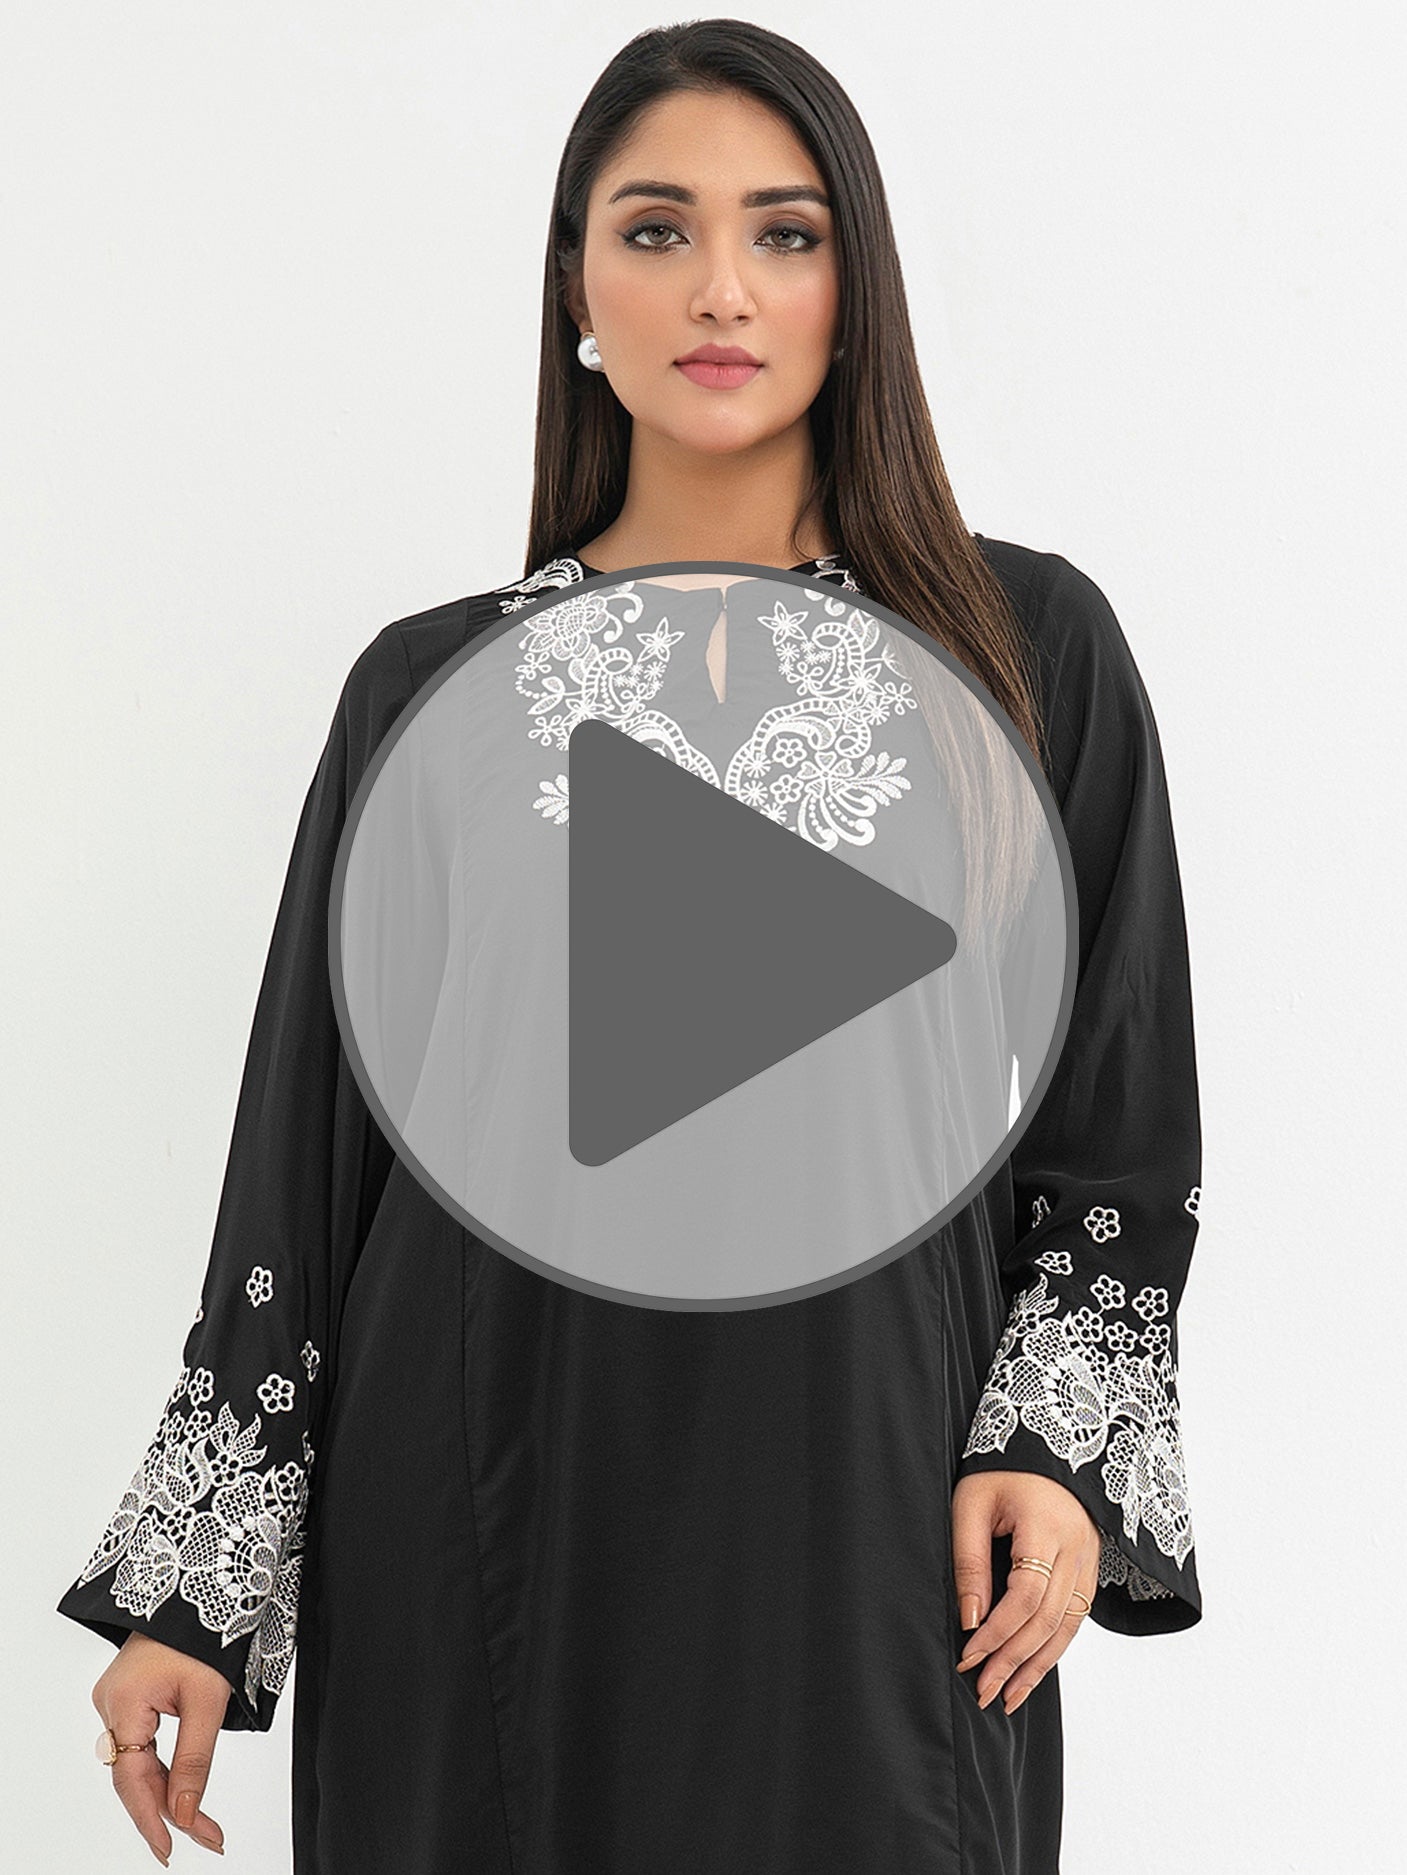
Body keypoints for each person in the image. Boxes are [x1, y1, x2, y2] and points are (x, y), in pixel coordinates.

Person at [57, 20, 1204, 1873]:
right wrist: (198, 1592)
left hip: (871, 1515)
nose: (721, 287)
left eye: (786, 232)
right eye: (657, 230)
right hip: (486, 1502)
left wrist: (1052, 1452)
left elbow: (1116, 1121)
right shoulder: (427, 691)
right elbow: (309, 1159)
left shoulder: (1022, 648)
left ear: (856, 287)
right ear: (576, 289)